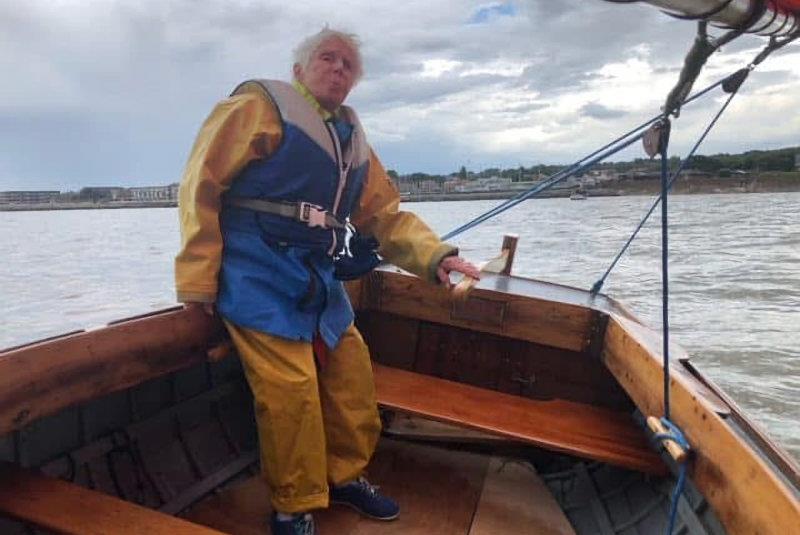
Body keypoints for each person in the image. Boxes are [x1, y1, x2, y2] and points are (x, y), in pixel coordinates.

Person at [175, 27, 479, 535]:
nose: (338, 69)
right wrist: (196, 283)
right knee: (290, 390)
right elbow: (198, 189)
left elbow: (386, 216)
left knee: (353, 376)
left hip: (315, 282)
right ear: (299, 70)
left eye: (348, 65)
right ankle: (291, 508)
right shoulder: (257, 109)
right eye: (328, 58)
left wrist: (438, 259)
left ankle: (344, 477)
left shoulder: (353, 141)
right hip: (255, 276)